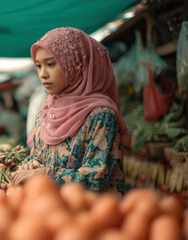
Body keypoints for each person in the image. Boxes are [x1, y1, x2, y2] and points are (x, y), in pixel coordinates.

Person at [11, 27, 131, 195]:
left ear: (75, 63)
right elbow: (37, 155)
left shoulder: (101, 116)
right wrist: (31, 163)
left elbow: (94, 182)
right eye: (38, 66)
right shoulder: (46, 112)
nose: (43, 74)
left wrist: (43, 174)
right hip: (49, 209)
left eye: (51, 64)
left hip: (92, 215)